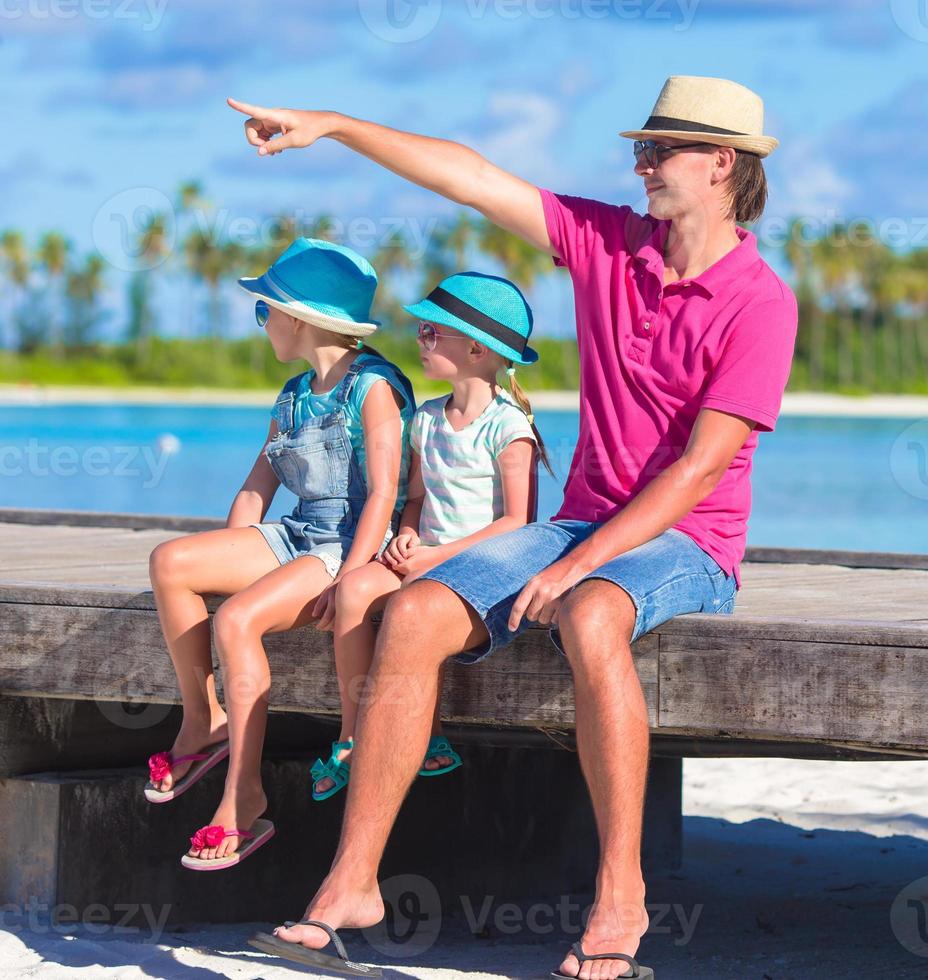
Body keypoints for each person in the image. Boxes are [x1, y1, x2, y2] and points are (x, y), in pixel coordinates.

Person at [230, 75, 797, 979]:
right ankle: (352, 885)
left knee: (590, 614)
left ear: (723, 163)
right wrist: (332, 126)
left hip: (689, 544)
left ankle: (621, 895)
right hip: (582, 523)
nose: (640, 162)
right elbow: (469, 176)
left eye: (660, 150)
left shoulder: (761, 304)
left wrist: (581, 567)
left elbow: (699, 472)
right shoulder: (610, 244)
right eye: (638, 148)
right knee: (412, 613)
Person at [144, 238, 415, 871]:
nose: (263, 324)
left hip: (350, 545)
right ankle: (202, 720)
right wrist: (231, 550)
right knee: (171, 562)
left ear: (301, 319)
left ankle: (244, 797)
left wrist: (348, 581)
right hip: (296, 536)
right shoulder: (294, 394)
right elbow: (257, 486)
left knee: (238, 620)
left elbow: (381, 495)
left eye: (266, 311)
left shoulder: (373, 390)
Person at [312, 272, 553, 802]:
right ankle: (352, 733)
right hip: (425, 553)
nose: (418, 342)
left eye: (429, 334)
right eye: (421, 332)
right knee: (352, 591)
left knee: (415, 614)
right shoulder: (425, 419)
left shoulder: (508, 429)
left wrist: (437, 558)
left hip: (482, 565)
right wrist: (403, 535)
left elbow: (519, 523)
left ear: (474, 348)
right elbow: (416, 499)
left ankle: (427, 734)